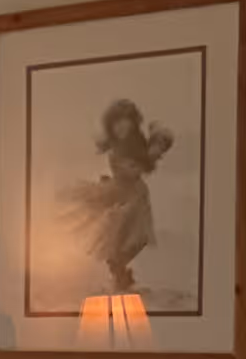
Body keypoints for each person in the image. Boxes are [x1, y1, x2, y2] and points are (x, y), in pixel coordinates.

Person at [59, 96, 174, 294]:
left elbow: (143, 165)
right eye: (116, 123)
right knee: (118, 235)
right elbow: (131, 169)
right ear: (110, 126)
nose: (121, 127)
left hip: (136, 195)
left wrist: (154, 149)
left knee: (139, 237)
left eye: (125, 122)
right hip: (120, 193)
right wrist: (144, 160)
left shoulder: (136, 143)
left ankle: (119, 269)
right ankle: (119, 271)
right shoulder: (117, 148)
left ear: (133, 122)